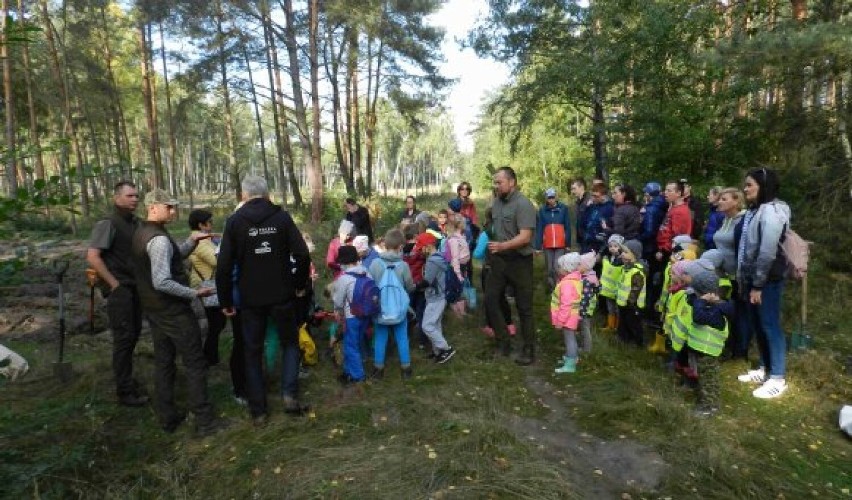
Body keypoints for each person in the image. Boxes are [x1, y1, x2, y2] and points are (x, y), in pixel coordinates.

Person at [215, 175, 311, 424]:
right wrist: (299, 285)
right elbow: (302, 254)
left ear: (244, 196)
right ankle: (289, 395)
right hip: (282, 294)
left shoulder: (235, 222)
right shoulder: (281, 218)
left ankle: (258, 410)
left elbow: (223, 265)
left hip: (250, 298)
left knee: (252, 351)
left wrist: (225, 300)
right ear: (267, 194)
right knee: (289, 343)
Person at [131, 189, 223, 435]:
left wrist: (191, 243)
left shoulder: (143, 232)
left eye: (174, 206)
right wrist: (194, 293)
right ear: (153, 207)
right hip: (172, 310)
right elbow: (161, 280)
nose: (173, 211)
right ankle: (204, 421)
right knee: (194, 362)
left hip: (154, 309)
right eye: (168, 207)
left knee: (164, 361)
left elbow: (169, 259)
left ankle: (167, 416)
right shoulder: (158, 238)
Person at [86, 181, 147, 407]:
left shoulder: (136, 223)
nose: (135, 199)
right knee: (123, 339)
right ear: (116, 198)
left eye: (137, 196)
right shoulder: (108, 224)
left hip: (136, 288)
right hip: (121, 290)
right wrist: (113, 284)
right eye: (130, 195)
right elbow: (93, 256)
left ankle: (128, 381)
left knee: (133, 335)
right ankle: (125, 392)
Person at [736, 168, 791, 399]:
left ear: (763, 186)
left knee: (770, 325)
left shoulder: (773, 211)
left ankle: (778, 378)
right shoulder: (756, 210)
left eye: (749, 185)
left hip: (767, 279)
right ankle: (764, 368)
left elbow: (767, 252)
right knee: (758, 324)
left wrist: (758, 285)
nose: (745, 189)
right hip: (753, 278)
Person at [486, 167, 537, 364]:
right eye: (495, 183)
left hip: (520, 261)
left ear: (512, 182)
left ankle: (528, 349)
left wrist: (503, 245)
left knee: (524, 307)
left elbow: (525, 237)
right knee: (491, 299)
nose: (496, 186)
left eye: (499, 182)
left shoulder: (523, 204)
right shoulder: (496, 203)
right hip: (499, 260)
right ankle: (503, 341)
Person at [673, 261, 732, 417]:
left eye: (698, 294)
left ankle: (709, 407)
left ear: (710, 294)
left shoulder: (716, 310)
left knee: (709, 380)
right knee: (703, 377)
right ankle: (704, 399)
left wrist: (700, 301)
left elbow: (698, 317)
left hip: (709, 353)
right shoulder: (709, 305)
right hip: (700, 349)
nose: (696, 297)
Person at [368, 229, 416, 380]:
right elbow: (409, 287)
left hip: (381, 309)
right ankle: (406, 368)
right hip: (399, 310)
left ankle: (378, 369)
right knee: (402, 338)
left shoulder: (375, 263)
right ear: (400, 246)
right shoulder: (403, 265)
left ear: (385, 244)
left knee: (380, 337)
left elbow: (371, 286)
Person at [187, 209, 226, 367]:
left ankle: (210, 356)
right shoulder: (200, 242)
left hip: (209, 285)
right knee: (214, 324)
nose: (212, 224)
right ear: (200, 225)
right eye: (209, 222)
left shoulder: (205, 239)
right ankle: (208, 357)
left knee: (217, 323)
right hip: (206, 286)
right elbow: (217, 260)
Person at [712, 188, 747, 358]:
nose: (720, 202)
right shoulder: (725, 219)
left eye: (724, 199)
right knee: (725, 309)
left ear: (736, 201)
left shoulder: (743, 221)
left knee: (739, 313)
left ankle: (739, 351)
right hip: (723, 274)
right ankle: (725, 344)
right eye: (719, 199)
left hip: (737, 276)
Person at [413, 232, 456, 364]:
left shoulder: (432, 261)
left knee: (427, 325)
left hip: (435, 297)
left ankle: (446, 349)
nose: (420, 251)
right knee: (435, 325)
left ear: (429, 246)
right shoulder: (439, 257)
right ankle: (437, 351)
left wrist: (414, 286)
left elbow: (427, 281)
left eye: (421, 248)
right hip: (440, 296)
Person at [473, 208, 516, 338]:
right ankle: (510, 325)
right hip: (507, 267)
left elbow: (478, 253)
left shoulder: (486, 233)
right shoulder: (508, 230)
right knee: (502, 297)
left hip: (490, 269)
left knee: (490, 299)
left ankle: (492, 327)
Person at [331, 245, 370, 384]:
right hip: (365, 314)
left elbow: (338, 300)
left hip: (351, 316)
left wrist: (337, 311)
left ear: (343, 261)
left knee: (350, 345)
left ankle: (357, 376)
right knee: (355, 343)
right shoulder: (366, 272)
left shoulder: (345, 278)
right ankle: (348, 371)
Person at [535, 187, 572, 292]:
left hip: (560, 243)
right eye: (549, 198)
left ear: (556, 197)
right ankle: (551, 288)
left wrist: (568, 243)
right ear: (546, 198)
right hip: (548, 244)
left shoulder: (563, 208)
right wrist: (538, 246)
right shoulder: (542, 210)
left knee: (557, 266)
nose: (551, 200)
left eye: (552, 197)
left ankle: (558, 287)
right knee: (549, 268)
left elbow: (567, 226)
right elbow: (540, 228)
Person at [551, 253, 583, 374]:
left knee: (569, 340)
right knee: (571, 338)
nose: (558, 269)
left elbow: (566, 305)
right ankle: (572, 357)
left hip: (567, 317)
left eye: (560, 267)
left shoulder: (567, 284)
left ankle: (570, 365)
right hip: (572, 316)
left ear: (567, 268)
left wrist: (560, 321)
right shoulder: (574, 279)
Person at [640, 182, 667, 318]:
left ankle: (648, 310)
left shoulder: (651, 209)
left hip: (650, 248)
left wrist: (639, 237)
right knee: (656, 280)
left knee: (649, 280)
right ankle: (653, 310)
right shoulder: (665, 205)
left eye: (646, 192)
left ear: (649, 194)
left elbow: (649, 231)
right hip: (658, 248)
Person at [615, 239, 646, 346]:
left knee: (633, 323)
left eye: (626, 252)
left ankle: (638, 341)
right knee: (623, 322)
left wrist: (631, 302)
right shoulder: (626, 268)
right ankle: (623, 338)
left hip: (633, 305)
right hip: (623, 303)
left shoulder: (637, 272)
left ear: (635, 255)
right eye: (622, 252)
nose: (622, 254)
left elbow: (636, 289)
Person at [655, 180, 693, 265]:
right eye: (665, 190)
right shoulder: (673, 208)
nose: (665, 193)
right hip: (664, 249)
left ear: (678, 193)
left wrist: (663, 251)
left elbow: (678, 236)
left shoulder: (680, 211)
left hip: (671, 252)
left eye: (669, 191)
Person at [580, 184, 615, 256]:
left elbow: (609, 228)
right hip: (587, 243)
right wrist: (586, 208)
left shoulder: (610, 208)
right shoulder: (592, 207)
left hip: (599, 245)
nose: (593, 198)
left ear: (604, 196)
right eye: (593, 196)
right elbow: (583, 223)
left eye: (596, 196)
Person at [599, 235, 624, 331]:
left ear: (620, 247)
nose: (612, 248)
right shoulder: (609, 258)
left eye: (615, 246)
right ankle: (610, 325)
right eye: (610, 246)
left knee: (617, 309)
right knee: (610, 308)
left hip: (617, 290)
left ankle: (617, 327)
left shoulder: (622, 260)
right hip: (608, 290)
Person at [577, 251, 600, 354]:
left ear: (586, 266)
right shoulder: (591, 276)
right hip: (587, 308)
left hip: (584, 309)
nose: (577, 266)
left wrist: (581, 312)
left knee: (584, 328)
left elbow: (585, 298)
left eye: (579, 264)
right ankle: (583, 345)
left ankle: (586, 349)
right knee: (584, 327)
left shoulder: (587, 281)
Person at [571, 179, 593, 252]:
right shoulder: (577, 203)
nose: (572, 192)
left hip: (590, 238)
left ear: (582, 187)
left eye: (574, 189)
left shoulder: (590, 200)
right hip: (581, 238)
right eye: (572, 189)